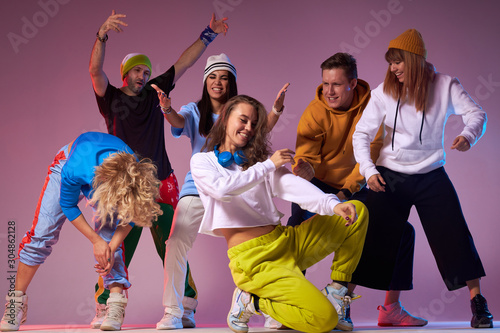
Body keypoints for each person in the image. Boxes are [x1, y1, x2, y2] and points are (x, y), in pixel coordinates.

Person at [88, 10, 228, 328]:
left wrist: (209, 32)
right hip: (125, 187)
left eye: (146, 70)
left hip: (161, 181)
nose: (143, 74)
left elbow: (185, 62)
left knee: (172, 242)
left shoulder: (155, 93)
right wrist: (101, 35)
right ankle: (105, 304)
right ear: (124, 73)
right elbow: (95, 70)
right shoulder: (109, 98)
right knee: (119, 243)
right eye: (137, 69)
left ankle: (186, 303)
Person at [351, 29, 493, 329]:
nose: (393, 68)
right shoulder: (383, 92)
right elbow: (361, 134)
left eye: (398, 61)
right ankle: (343, 302)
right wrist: (369, 170)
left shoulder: (445, 85)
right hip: (390, 177)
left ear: (415, 60)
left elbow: (476, 114)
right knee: (372, 237)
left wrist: (468, 135)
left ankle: (478, 304)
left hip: (430, 174)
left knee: (455, 234)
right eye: (390, 62)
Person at [190, 95, 369, 333]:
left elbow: (292, 186)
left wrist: (333, 204)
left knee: (357, 210)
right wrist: (267, 165)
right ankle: (251, 301)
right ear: (225, 119)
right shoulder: (203, 162)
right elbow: (223, 190)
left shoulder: (259, 162)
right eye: (243, 120)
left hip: (286, 241)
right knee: (324, 320)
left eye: (254, 124)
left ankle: (337, 292)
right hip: (255, 261)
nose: (248, 128)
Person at [288, 52, 426, 329]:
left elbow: (370, 155)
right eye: (325, 84)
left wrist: (345, 194)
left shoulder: (372, 107)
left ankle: (381, 307)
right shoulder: (314, 112)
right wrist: (305, 171)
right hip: (318, 183)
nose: (328, 91)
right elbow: (308, 159)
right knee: (295, 228)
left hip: (357, 182)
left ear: (352, 83)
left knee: (402, 231)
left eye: (336, 84)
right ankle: (289, 305)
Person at [151, 54, 289, 329]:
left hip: (236, 186)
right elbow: (178, 122)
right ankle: (174, 311)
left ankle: (271, 309)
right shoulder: (195, 110)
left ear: (232, 82)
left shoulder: (239, 110)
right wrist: (167, 109)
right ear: (205, 81)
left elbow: (258, 132)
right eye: (212, 77)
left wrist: (275, 109)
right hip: (198, 187)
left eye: (224, 77)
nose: (217, 82)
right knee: (175, 242)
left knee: (259, 246)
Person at [0, 132, 163, 332]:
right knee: (42, 233)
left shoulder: (133, 174)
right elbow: (68, 205)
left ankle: (113, 303)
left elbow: (132, 215)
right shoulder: (74, 169)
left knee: (110, 238)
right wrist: (96, 241)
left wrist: (110, 245)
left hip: (113, 176)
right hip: (68, 163)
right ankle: (16, 301)